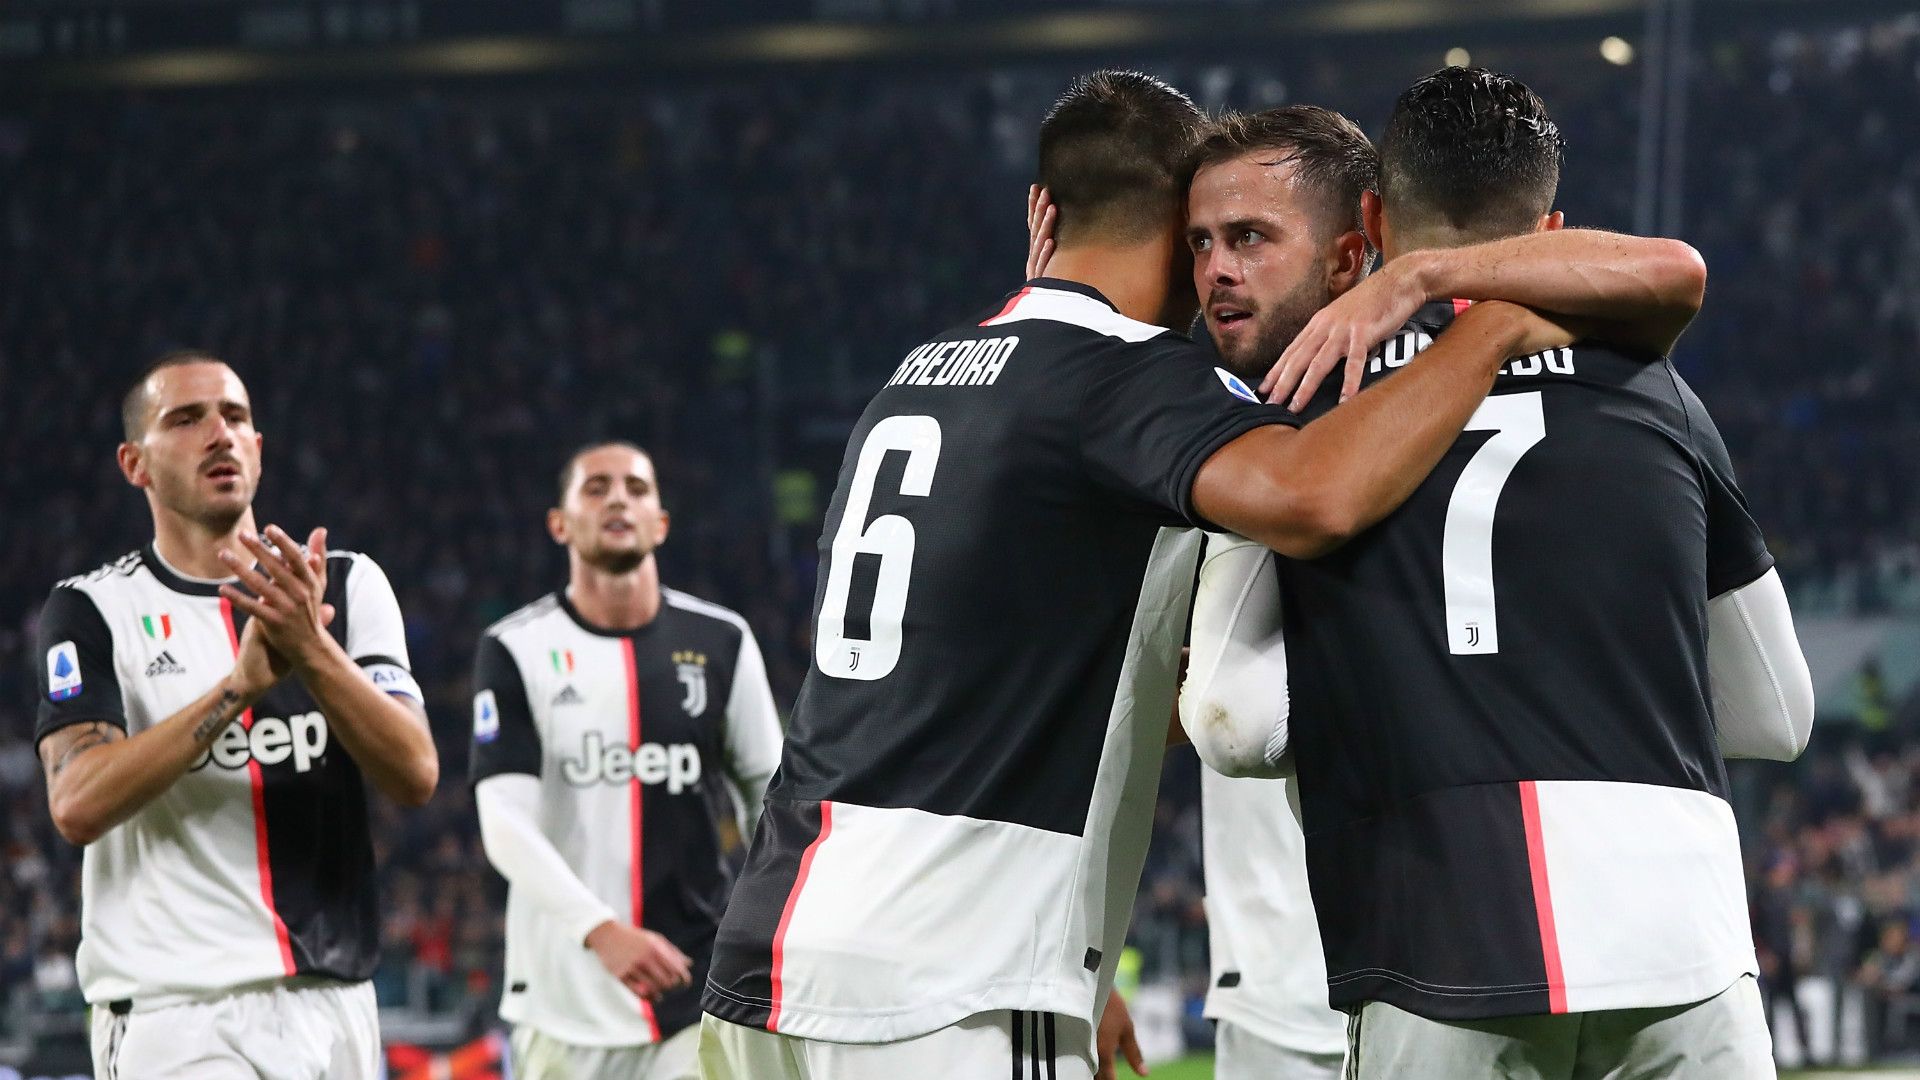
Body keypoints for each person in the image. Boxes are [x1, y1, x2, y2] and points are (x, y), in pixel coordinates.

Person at [697, 70, 1581, 1079]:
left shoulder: (918, 375)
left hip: (775, 943)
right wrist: (1493, 324)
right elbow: (1314, 499)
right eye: (1203, 238)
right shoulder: (1133, 382)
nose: (1216, 274)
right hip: (952, 967)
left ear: (1044, 211)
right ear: (1174, 223)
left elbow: (1009, 667)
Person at [1180, 68, 1816, 1078]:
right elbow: (1777, 714)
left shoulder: (1306, 403)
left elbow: (1237, 725)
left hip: (1437, 936)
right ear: (1551, 231)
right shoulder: (1660, 394)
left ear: (1374, 221)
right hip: (1680, 937)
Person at [32, 350, 438, 1079]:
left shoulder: (346, 585)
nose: (219, 433)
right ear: (135, 464)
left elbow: (415, 772)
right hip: (180, 1013)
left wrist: (312, 651)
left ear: (258, 447)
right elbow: (77, 802)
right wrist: (238, 689)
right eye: (186, 419)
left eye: (235, 417)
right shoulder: (93, 609)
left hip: (336, 1004)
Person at [471, 442, 784, 1080]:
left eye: (637, 489)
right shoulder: (515, 648)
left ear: (660, 524)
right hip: (562, 997)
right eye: (597, 488)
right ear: (559, 524)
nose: (618, 498)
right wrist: (600, 929)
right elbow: (503, 819)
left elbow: (773, 802)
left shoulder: (722, 641)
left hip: (698, 988)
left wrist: (771, 935)